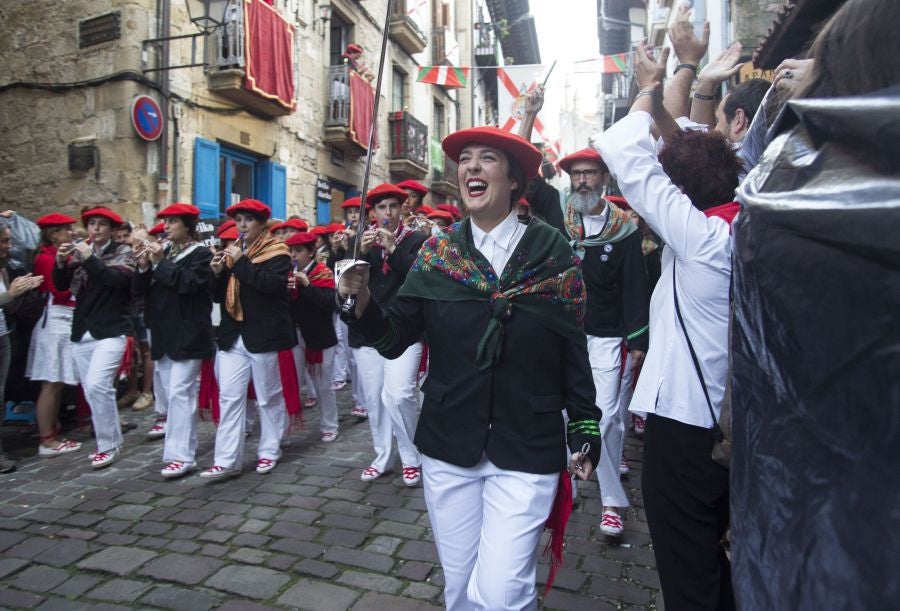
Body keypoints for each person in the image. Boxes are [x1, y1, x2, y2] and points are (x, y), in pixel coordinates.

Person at [339, 126, 601, 609]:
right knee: (460, 590)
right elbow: (396, 339)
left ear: (515, 181)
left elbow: (572, 346)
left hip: (527, 444)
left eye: (487, 159)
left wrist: (584, 426)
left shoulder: (551, 251)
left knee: (501, 593)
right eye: (465, 160)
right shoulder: (437, 254)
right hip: (448, 443)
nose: (471, 168)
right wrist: (362, 302)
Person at [595, 42, 742, 610]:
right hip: (727, 423)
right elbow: (691, 152)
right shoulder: (733, 225)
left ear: (677, 196)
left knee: (689, 566)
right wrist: (687, 76)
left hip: (687, 427)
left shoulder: (702, 240)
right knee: (720, 556)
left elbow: (628, 154)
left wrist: (645, 90)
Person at [203, 199, 298, 478]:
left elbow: (270, 286)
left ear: (262, 224)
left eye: (248, 220)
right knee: (230, 397)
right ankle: (226, 459)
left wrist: (239, 262)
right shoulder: (234, 252)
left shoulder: (278, 252)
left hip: (265, 333)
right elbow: (218, 296)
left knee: (268, 397)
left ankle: (270, 450)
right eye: (238, 220)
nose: (242, 225)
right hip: (234, 334)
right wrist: (218, 272)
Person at [345, 183, 428, 485]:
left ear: (403, 208)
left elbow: (421, 276)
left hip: (406, 331)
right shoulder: (359, 242)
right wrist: (360, 253)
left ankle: (412, 456)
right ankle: (382, 456)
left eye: (394, 206)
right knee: (374, 399)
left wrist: (393, 250)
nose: (388, 213)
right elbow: (342, 283)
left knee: (399, 395)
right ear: (374, 212)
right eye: (382, 207)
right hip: (368, 331)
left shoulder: (418, 239)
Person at [53, 206, 136, 469]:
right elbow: (62, 285)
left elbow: (116, 281)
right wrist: (60, 262)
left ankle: (109, 444)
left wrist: (90, 259)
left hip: (111, 329)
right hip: (82, 329)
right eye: (91, 224)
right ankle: (107, 442)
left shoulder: (123, 252)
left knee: (99, 384)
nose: (95, 229)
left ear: (112, 230)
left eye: (101, 224)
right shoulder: (82, 252)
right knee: (92, 390)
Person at [136, 204, 214, 478]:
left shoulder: (202, 254)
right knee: (171, 394)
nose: (166, 227)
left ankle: (183, 456)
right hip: (164, 333)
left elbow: (190, 284)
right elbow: (140, 292)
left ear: (187, 226)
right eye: (165, 222)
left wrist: (159, 263)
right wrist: (144, 267)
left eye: (172, 222)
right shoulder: (165, 253)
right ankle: (174, 452)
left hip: (189, 332)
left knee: (181, 392)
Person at [26, 213, 83, 457]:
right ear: (53, 234)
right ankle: (46, 438)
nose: (72, 232)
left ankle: (52, 431)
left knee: (57, 382)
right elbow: (58, 293)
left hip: (63, 322)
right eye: (66, 229)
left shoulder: (57, 256)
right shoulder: (47, 259)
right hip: (55, 324)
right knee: (51, 382)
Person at [286, 231, 339, 442]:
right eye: (291, 251)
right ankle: (285, 427)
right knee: (291, 383)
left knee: (323, 385)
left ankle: (330, 425)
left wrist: (307, 285)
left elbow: (328, 303)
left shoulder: (323, 273)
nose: (293, 255)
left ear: (311, 252)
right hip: (295, 336)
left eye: (298, 251)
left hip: (320, 337)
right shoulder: (287, 273)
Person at [0, 221, 44, 472]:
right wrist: (11, 294)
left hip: (3, 336)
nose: (10, 246)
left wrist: (24, 291)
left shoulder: (4, 269)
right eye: (4, 241)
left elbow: (8, 309)